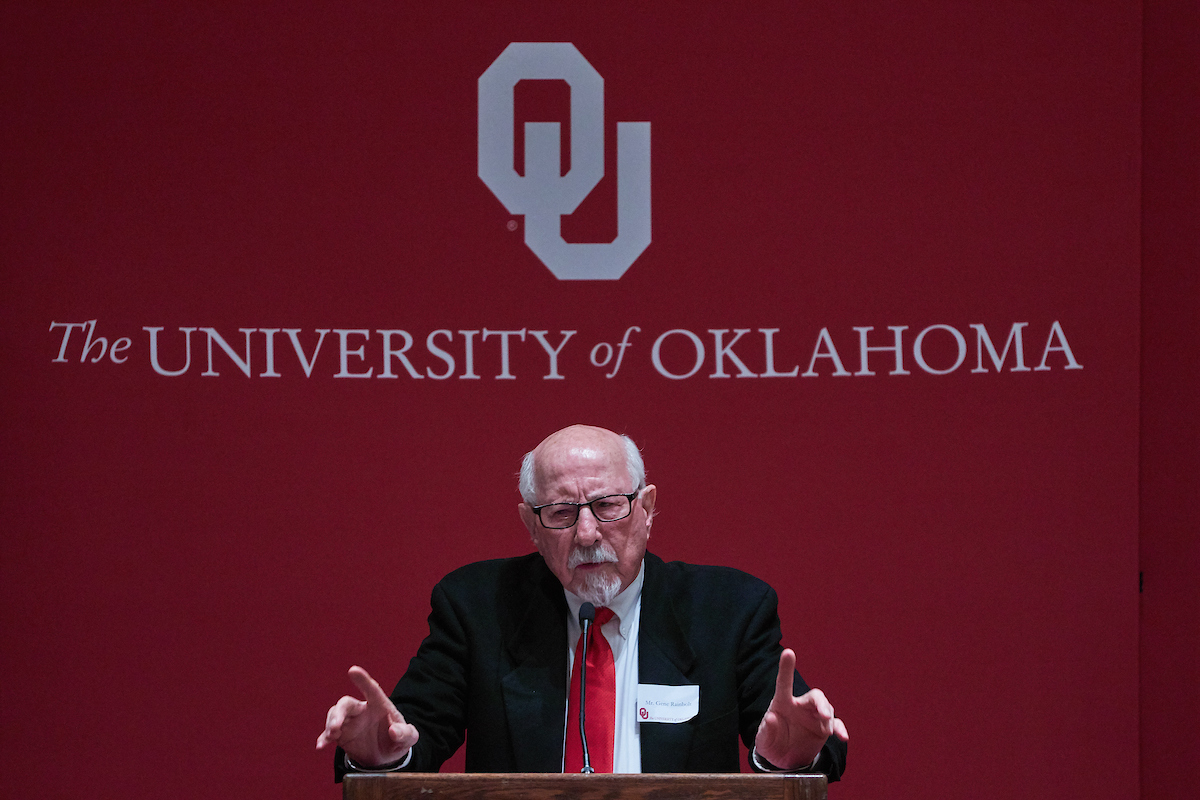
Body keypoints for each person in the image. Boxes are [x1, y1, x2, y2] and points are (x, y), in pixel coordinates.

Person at [316, 424, 848, 779]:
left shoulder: (729, 609)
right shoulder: (477, 607)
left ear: (647, 508)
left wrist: (789, 757)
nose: (589, 533)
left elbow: (788, 734)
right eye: (562, 513)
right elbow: (414, 732)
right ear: (530, 524)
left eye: (608, 506)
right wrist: (385, 754)